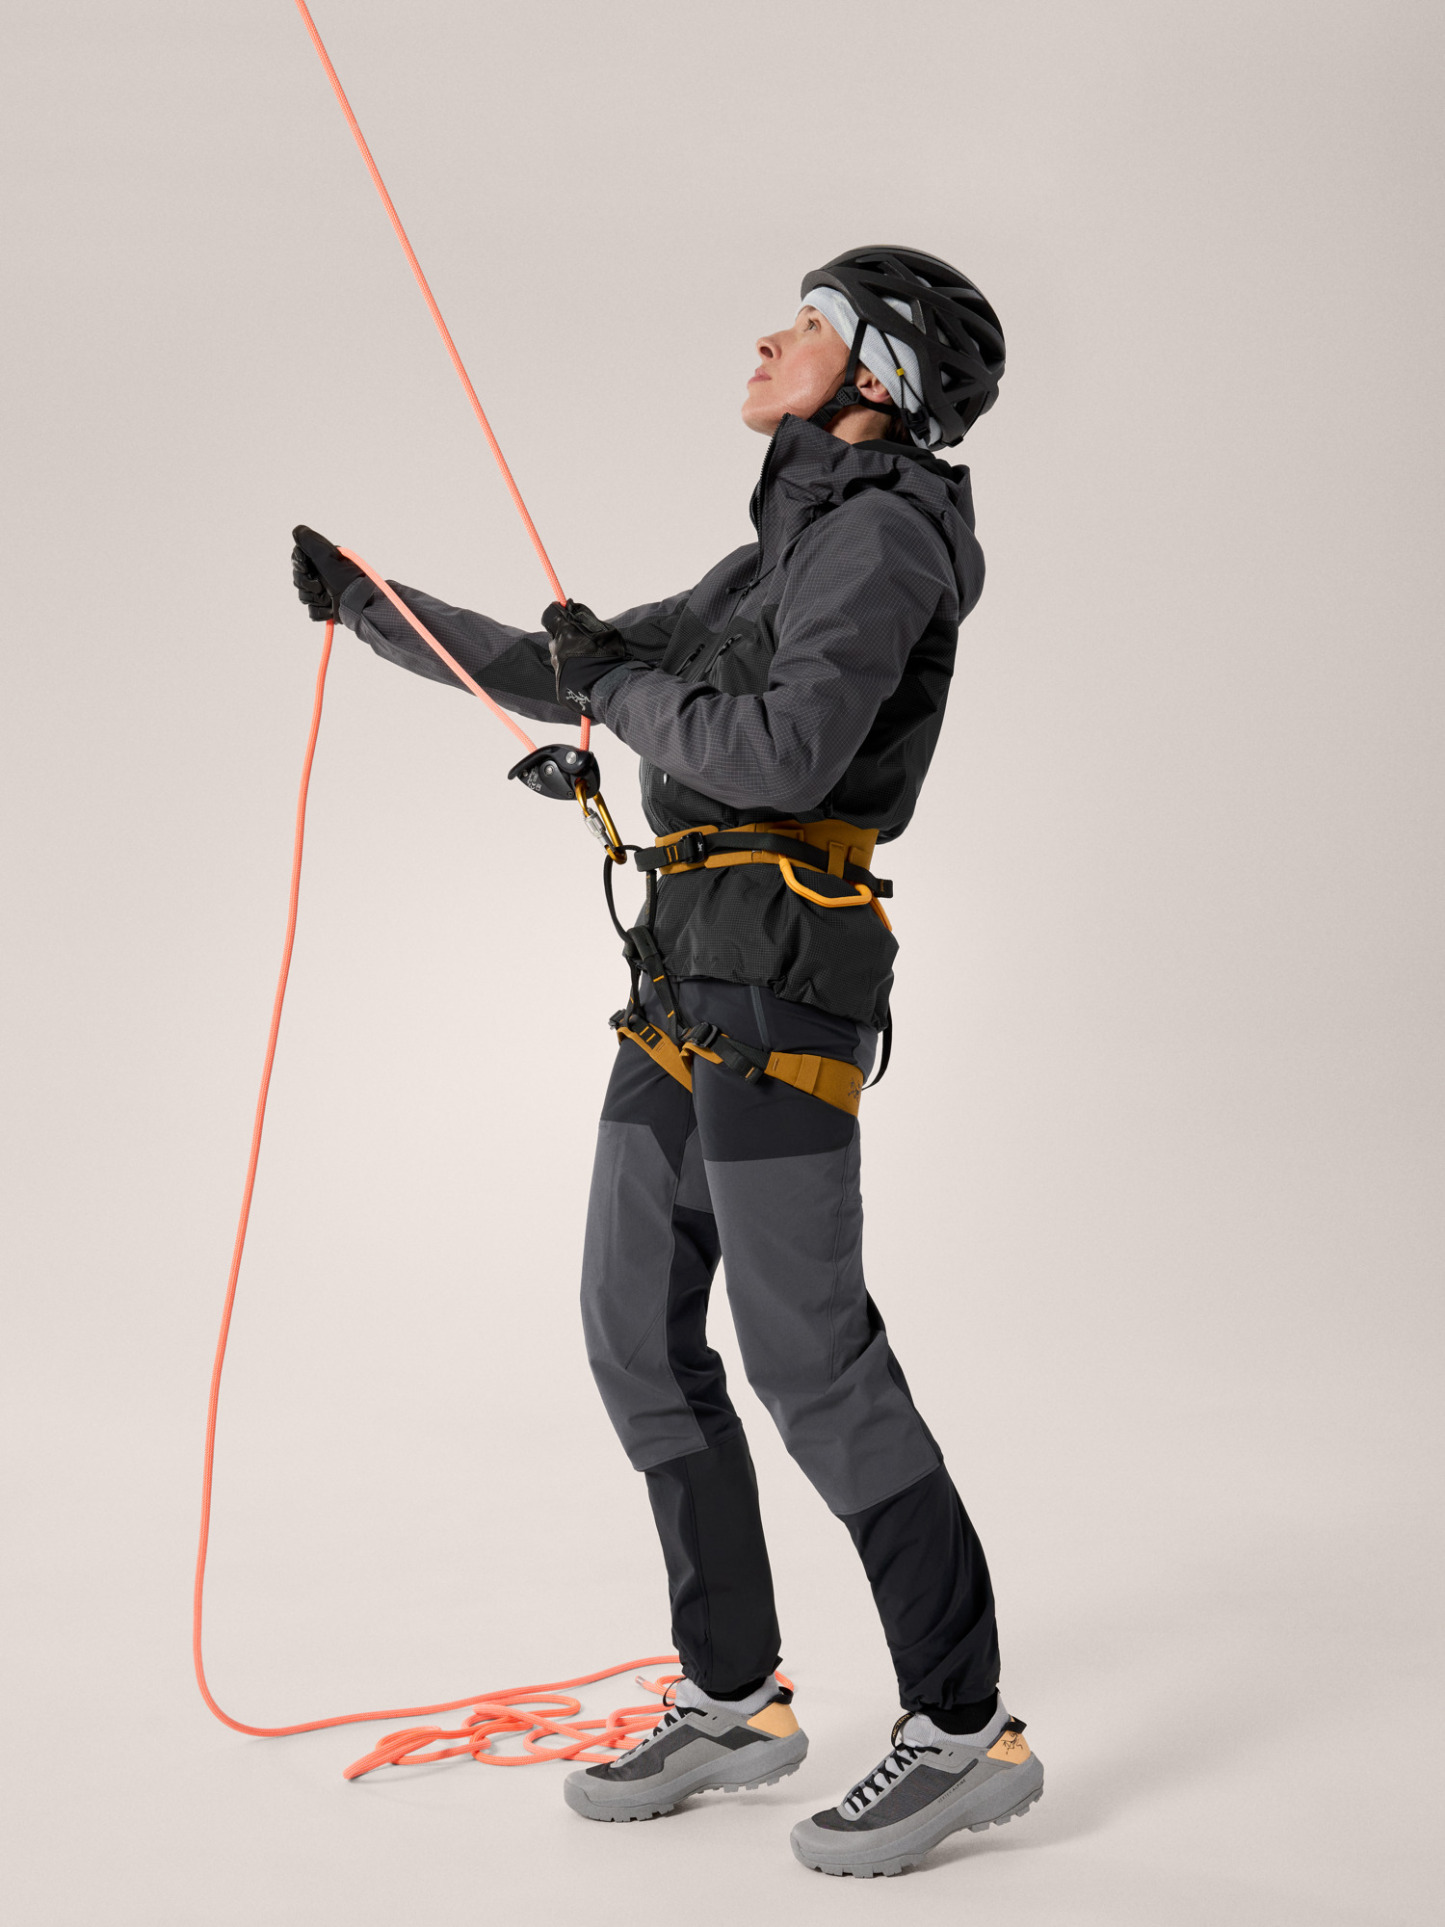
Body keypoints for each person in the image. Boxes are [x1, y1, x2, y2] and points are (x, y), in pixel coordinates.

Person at [290, 247, 1042, 1878]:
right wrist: (372, 606)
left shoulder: (883, 540)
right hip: (685, 974)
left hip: (781, 981)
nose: (771, 335)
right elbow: (570, 669)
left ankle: (963, 1730)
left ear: (877, 379)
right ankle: (733, 1698)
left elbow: (776, 753)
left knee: (808, 1357)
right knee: (633, 1326)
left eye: (811, 322)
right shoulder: (776, 550)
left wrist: (627, 689)